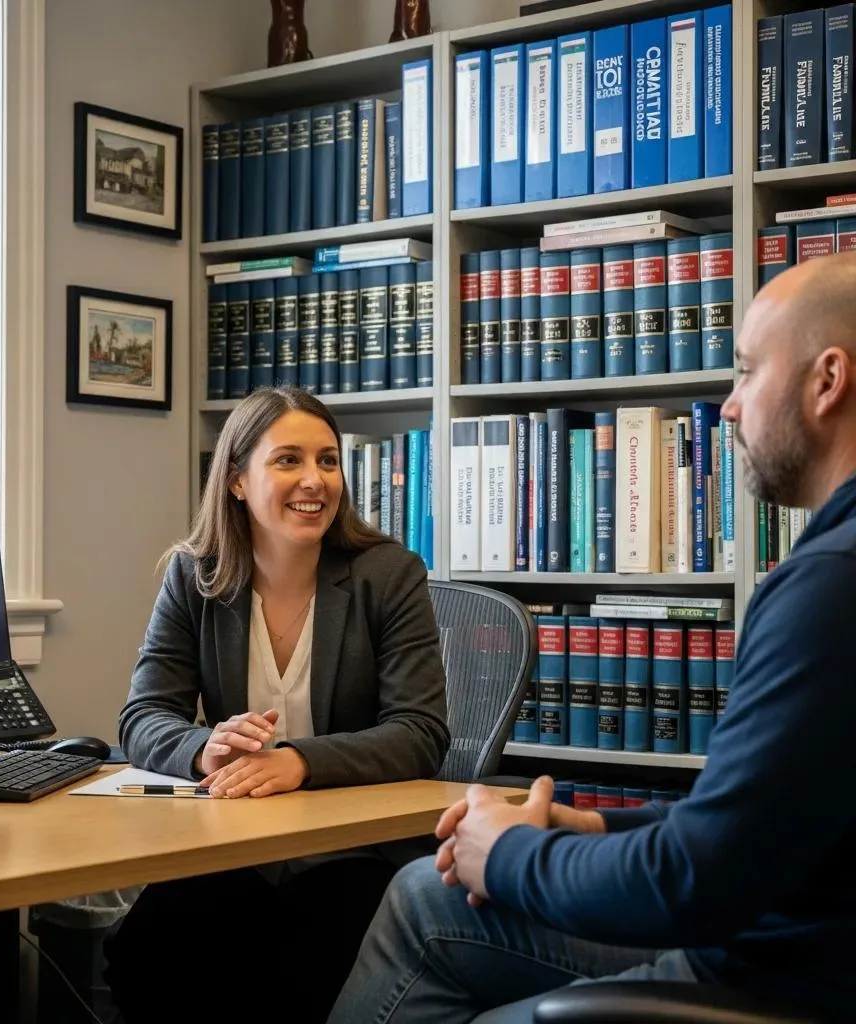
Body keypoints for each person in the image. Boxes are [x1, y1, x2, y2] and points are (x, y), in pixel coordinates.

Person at [327, 253, 856, 1024]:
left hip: (765, 976)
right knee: (421, 891)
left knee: (426, 901)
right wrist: (594, 825)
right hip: (792, 938)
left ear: (827, 380)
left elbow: (689, 883)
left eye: (745, 371)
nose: (731, 407)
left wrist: (506, 856)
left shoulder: (828, 589)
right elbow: (755, 816)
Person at [102, 385, 450, 1024]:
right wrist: (203, 749)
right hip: (235, 850)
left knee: (305, 964)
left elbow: (421, 733)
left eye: (327, 460)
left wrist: (299, 762)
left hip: (351, 853)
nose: (314, 480)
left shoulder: (389, 575)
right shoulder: (194, 576)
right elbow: (142, 717)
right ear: (236, 480)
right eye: (287, 459)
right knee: (146, 953)